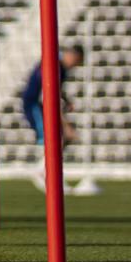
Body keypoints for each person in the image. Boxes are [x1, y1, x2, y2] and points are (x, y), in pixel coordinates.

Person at [23, 44, 83, 188]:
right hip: (35, 106)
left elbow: (56, 91)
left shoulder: (60, 69)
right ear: (71, 55)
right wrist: (65, 124)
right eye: (77, 61)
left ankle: (46, 171)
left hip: (42, 105)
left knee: (61, 139)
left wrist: (66, 100)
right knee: (55, 138)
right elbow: (50, 96)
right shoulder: (55, 66)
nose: (75, 65)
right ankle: (43, 172)